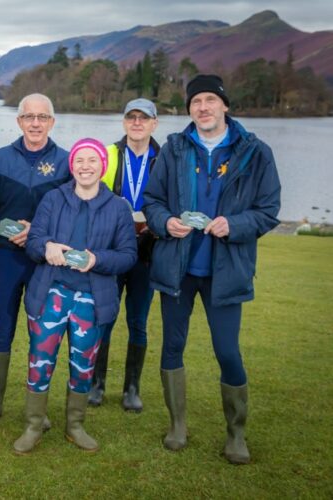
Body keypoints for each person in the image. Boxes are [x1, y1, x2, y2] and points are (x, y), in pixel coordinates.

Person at [143, 74, 281, 464]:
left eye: (209, 100)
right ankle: (177, 425)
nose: (202, 107)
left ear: (224, 105)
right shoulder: (173, 149)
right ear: (189, 109)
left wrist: (233, 225)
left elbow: (268, 211)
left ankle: (236, 433)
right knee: (172, 345)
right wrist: (166, 222)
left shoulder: (255, 152)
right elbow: (152, 200)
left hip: (226, 270)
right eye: (195, 102)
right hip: (178, 269)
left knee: (227, 351)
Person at [13, 138, 137, 454]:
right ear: (72, 166)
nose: (85, 166)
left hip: (93, 298)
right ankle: (34, 423)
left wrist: (98, 259)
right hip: (50, 293)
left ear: (103, 166)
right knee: (40, 362)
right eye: (79, 160)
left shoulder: (118, 208)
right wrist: (47, 248)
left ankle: (75, 425)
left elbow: (127, 256)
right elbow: (33, 241)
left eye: (92, 160)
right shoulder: (53, 199)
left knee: (83, 364)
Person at [0, 93, 69, 426]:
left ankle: (36, 409)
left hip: (44, 261)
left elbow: (70, 217)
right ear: (18, 121)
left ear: (52, 122)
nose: (35, 123)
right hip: (5, 258)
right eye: (29, 117)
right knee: (3, 329)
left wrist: (39, 234)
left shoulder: (66, 162)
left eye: (42, 117)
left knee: (41, 333)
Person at [89, 98, 161, 411]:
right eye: (131, 117)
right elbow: (93, 193)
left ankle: (132, 388)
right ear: (124, 122)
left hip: (148, 251)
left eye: (143, 118)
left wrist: (155, 225)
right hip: (112, 249)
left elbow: (171, 199)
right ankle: (96, 384)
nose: (136, 123)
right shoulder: (108, 154)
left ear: (154, 123)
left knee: (138, 320)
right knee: (104, 316)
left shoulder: (165, 157)